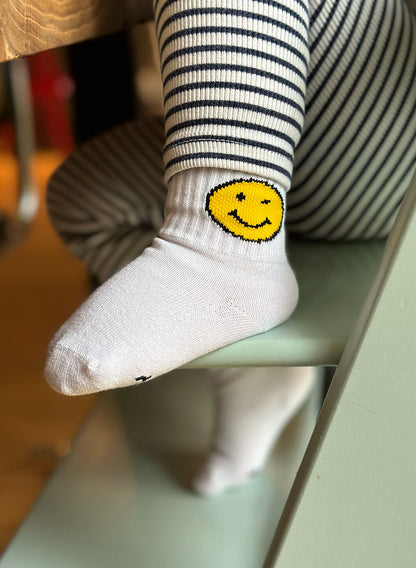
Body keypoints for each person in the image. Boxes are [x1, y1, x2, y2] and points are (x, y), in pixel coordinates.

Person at [44, 0, 416, 493]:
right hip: (315, 148)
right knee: (82, 199)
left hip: (387, 134)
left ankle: (226, 248)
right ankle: (247, 365)